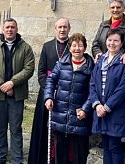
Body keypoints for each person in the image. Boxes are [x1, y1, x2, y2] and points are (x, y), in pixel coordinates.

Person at [0, 18, 35, 164]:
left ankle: (16, 160)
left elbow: (29, 68)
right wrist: (2, 86)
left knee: (16, 130)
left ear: (16, 29)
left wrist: (12, 83)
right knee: (0, 129)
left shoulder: (25, 48)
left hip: (17, 95)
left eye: (12, 27)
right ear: (2, 30)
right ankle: (0, 158)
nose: (10, 30)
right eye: (7, 27)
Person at [44, 33, 95, 164]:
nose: (77, 48)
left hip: (80, 115)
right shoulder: (61, 63)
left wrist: (85, 109)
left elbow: (93, 91)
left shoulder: (91, 67)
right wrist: (48, 97)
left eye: (80, 45)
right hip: (61, 114)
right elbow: (50, 80)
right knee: (60, 151)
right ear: (69, 47)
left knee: (79, 153)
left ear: (85, 47)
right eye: (73, 45)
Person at [28, 18, 71, 164]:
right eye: (59, 27)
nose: (62, 29)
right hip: (47, 93)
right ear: (55, 29)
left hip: (66, 94)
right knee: (44, 126)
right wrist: (49, 90)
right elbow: (41, 72)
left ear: (69, 29)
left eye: (65, 27)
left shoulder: (74, 46)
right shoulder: (47, 46)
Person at [90, 28, 125, 164]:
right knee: (106, 147)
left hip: (116, 110)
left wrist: (107, 107)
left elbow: (123, 88)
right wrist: (97, 104)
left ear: (121, 43)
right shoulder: (100, 59)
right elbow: (92, 84)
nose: (112, 43)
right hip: (100, 109)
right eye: (110, 40)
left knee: (115, 147)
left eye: (116, 40)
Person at [92, 0, 125, 65]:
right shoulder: (103, 25)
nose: (115, 10)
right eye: (112, 7)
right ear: (109, 9)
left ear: (123, 8)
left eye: (118, 7)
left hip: (122, 64)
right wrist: (97, 52)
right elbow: (96, 43)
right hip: (103, 62)